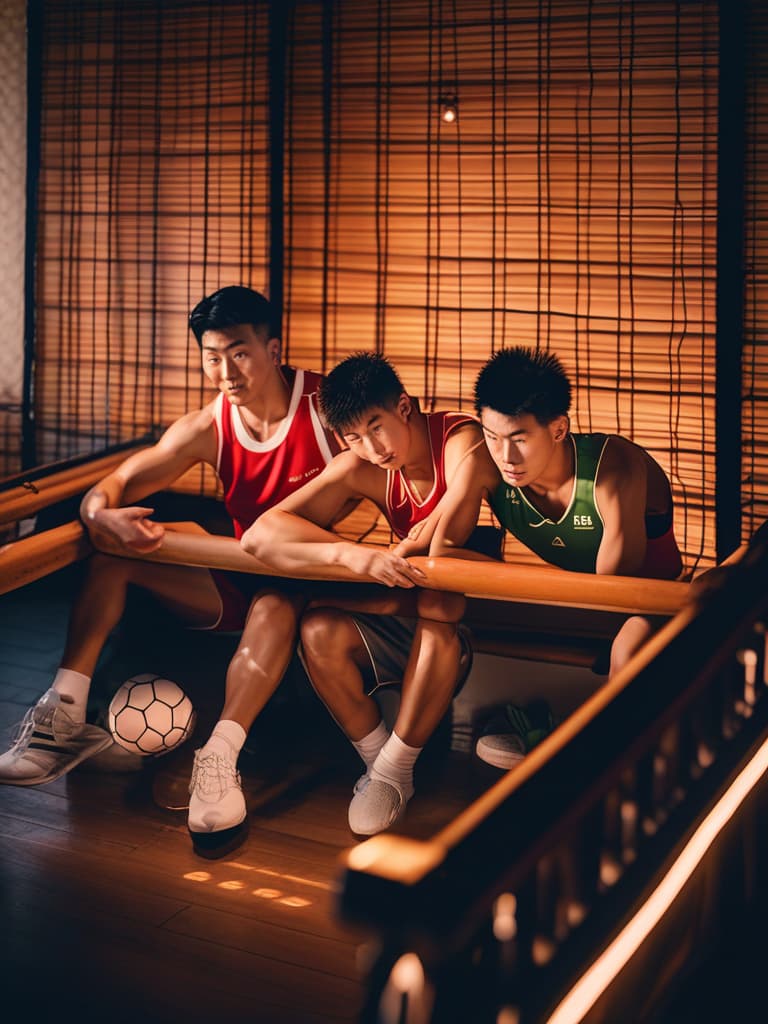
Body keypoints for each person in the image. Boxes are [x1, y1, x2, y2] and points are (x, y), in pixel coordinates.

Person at [0, 285, 340, 848]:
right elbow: (118, 484)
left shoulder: (327, 411)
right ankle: (62, 717)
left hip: (309, 579)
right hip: (235, 571)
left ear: (273, 349)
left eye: (239, 352)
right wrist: (95, 513)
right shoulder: (209, 424)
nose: (225, 372)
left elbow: (394, 467)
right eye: (211, 357)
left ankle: (219, 757)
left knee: (276, 602)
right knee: (114, 560)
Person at [242, 352, 483, 836]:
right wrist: (349, 555)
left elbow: (447, 536)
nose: (371, 447)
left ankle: (396, 769)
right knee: (317, 627)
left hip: (465, 618)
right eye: (353, 436)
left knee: (441, 592)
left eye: (377, 427)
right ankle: (382, 767)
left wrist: (395, 551)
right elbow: (260, 535)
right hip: (406, 607)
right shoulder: (361, 466)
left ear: (404, 406)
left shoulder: (462, 438)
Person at [429, 345, 683, 769]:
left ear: (559, 428)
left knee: (630, 644)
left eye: (520, 439)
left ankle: (597, 765)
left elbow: (614, 594)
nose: (505, 457)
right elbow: (444, 556)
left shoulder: (614, 467)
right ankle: (550, 734)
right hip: (568, 599)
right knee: (439, 604)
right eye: (492, 437)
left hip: (650, 602)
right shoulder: (486, 464)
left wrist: (504, 581)